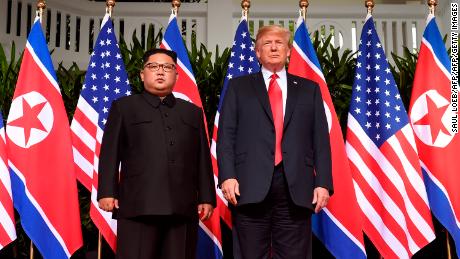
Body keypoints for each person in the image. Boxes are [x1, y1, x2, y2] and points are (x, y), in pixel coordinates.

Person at [217, 25, 333, 259]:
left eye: (279, 43)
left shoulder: (309, 89)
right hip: (248, 185)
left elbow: (320, 139)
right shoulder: (239, 87)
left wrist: (323, 183)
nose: (273, 47)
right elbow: (226, 134)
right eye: (266, 43)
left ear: (289, 51)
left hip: (296, 187)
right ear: (257, 52)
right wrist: (227, 176)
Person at [97, 48, 216, 259]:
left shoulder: (192, 112)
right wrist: (107, 191)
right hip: (137, 206)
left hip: (182, 207)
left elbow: (202, 159)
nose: (160, 72)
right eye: (153, 66)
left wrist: (207, 196)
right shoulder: (124, 107)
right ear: (143, 74)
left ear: (176, 75)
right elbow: (109, 152)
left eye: (167, 67)